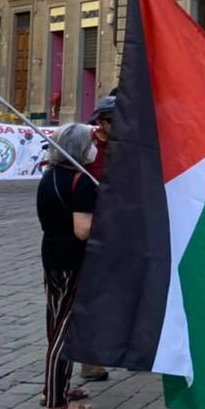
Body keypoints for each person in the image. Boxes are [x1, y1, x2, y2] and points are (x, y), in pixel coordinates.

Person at [36, 124, 99, 409]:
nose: (93, 148)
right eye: (89, 144)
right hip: (75, 260)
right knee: (66, 329)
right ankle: (57, 402)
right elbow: (83, 230)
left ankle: (55, 386)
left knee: (56, 322)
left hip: (51, 255)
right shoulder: (82, 182)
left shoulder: (49, 177)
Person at [78, 97, 117, 385]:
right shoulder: (86, 147)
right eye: (112, 120)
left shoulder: (128, 147)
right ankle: (90, 358)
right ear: (101, 122)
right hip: (92, 227)